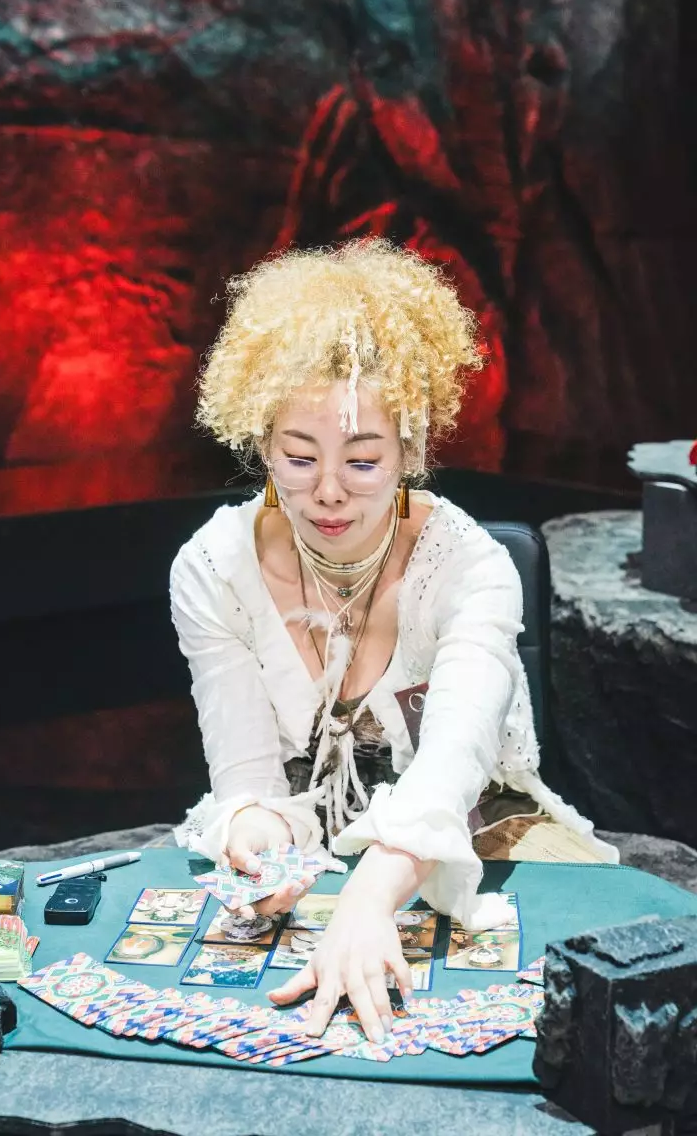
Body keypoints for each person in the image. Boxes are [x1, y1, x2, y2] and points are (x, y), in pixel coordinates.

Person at [170, 239, 617, 1043]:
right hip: (314, 842)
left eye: (364, 461)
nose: (328, 492)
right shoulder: (213, 568)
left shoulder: (472, 567)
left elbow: (451, 765)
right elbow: (246, 778)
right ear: (260, 441)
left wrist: (369, 898)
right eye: (297, 457)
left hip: (473, 831)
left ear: (411, 451)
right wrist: (256, 838)